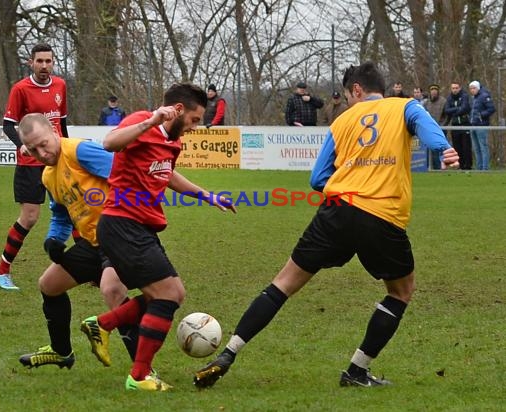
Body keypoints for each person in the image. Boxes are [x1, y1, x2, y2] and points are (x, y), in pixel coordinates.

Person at [194, 61, 459, 389]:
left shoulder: (342, 121)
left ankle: (228, 354)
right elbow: (424, 125)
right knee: (401, 292)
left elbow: (318, 178)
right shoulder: (405, 106)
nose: (348, 101)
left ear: (357, 90)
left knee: (283, 283)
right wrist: (444, 148)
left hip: (335, 211)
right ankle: (357, 371)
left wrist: (350, 180)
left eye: (348, 95)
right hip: (380, 215)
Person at [79, 83, 236, 392]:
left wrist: (207, 196)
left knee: (162, 295)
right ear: (177, 110)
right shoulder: (142, 121)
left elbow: (168, 174)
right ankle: (138, 377)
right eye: (193, 120)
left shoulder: (173, 143)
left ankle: (103, 324)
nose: (193, 128)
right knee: (170, 294)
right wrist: (150, 120)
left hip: (141, 228)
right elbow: (110, 143)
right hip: (121, 224)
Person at [15, 113, 139, 369]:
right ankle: (62, 352)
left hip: (120, 236)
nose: (42, 152)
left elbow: (125, 175)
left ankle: (143, 370)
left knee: (113, 291)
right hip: (93, 242)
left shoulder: (80, 151)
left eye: (44, 143)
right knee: (49, 285)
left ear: (54, 131)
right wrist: (53, 241)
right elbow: (61, 216)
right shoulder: (49, 176)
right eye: (34, 149)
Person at [0, 43, 68, 291]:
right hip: (31, 164)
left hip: (57, 159)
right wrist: (22, 145)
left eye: (48, 61)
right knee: (30, 217)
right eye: (40, 61)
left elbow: (62, 123)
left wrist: (67, 150)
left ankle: (89, 268)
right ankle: (1, 271)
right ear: (31, 62)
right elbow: (8, 124)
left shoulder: (60, 86)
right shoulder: (21, 89)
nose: (44, 66)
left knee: (74, 209)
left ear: (53, 62)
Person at [444, 82, 472, 170]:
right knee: (457, 147)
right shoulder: (449, 98)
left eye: (456, 88)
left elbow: (465, 108)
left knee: (466, 146)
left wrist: (454, 112)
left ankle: (467, 166)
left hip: (464, 124)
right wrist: (457, 110)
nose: (455, 90)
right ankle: (459, 165)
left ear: (459, 88)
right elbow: (447, 110)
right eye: (453, 88)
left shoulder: (464, 96)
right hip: (454, 125)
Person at [468, 80, 495, 170]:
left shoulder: (484, 96)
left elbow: (491, 109)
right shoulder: (473, 98)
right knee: (476, 147)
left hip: (481, 125)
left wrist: (481, 115)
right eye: (470, 88)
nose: (472, 90)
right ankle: (479, 167)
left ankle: (485, 167)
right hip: (473, 124)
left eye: (474, 88)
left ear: (478, 88)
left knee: (483, 147)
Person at [423, 84, 448, 170]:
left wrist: (441, 126)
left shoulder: (443, 101)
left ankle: (438, 168)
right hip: (428, 129)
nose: (433, 92)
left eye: (435, 90)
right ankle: (427, 168)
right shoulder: (426, 102)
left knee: (437, 150)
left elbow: (446, 116)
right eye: (432, 90)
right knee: (427, 150)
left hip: (439, 129)